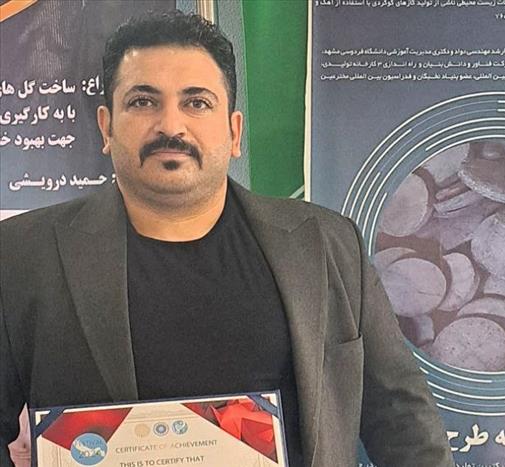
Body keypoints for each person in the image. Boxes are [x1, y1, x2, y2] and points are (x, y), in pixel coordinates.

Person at [0, 10, 454, 467]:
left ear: (234, 132)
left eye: (196, 102)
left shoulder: (326, 245)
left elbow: (403, 422)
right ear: (106, 127)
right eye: (143, 101)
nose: (170, 125)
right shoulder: (21, 256)